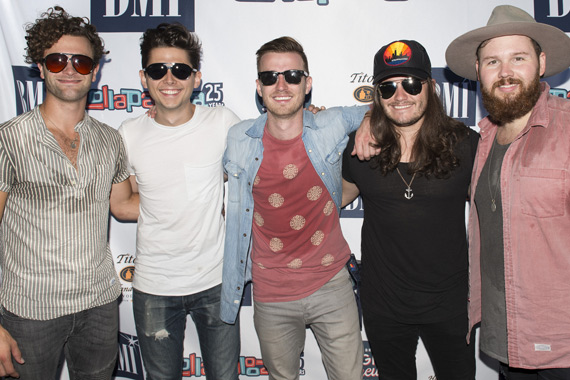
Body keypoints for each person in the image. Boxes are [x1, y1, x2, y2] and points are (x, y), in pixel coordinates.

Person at [0, 6, 138, 379]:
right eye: (57, 60)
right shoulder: (8, 139)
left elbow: (125, 205)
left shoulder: (110, 140)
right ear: (41, 67)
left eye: (80, 61)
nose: (70, 69)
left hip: (99, 306)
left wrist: (200, 195)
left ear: (94, 71)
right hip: (30, 313)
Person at [220, 36, 367, 380]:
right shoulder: (238, 137)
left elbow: (387, 108)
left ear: (308, 83)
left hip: (332, 284)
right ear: (259, 87)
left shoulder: (330, 124)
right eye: (270, 77)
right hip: (270, 291)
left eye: (292, 76)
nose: (281, 85)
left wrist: (371, 125)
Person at [445, 5, 570, 379]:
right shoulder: (482, 139)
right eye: (492, 62)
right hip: (506, 338)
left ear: (541, 62)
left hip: (562, 344)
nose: (505, 73)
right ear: (479, 71)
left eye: (518, 58)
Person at [342, 40, 478, 380]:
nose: (399, 95)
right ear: (376, 94)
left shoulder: (466, 145)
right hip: (383, 304)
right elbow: (329, 200)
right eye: (387, 87)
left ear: (430, 88)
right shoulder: (360, 149)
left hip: (449, 303)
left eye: (411, 84)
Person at [117, 23, 241, 380]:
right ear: (144, 78)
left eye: (180, 70)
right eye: (158, 70)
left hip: (215, 282)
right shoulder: (128, 134)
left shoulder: (222, 123)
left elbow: (265, 165)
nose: (169, 78)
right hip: (154, 287)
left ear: (196, 78)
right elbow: (122, 205)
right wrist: (171, 202)